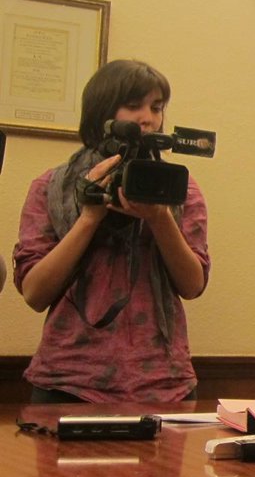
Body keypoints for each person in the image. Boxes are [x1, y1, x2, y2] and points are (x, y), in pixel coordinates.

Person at [13, 59, 210, 403]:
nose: (147, 118)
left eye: (156, 107)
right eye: (133, 106)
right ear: (102, 113)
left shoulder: (179, 188)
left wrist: (159, 218)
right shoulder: (52, 187)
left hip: (163, 380)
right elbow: (34, 292)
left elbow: (193, 285)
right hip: (67, 379)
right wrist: (89, 217)